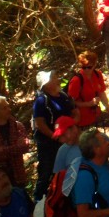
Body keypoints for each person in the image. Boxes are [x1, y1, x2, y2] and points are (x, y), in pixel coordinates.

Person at [31, 70, 77, 201]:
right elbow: (40, 123)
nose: (58, 79)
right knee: (47, 171)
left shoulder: (63, 96)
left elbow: (74, 111)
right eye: (54, 78)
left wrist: (73, 126)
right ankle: (38, 201)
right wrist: (55, 136)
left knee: (66, 168)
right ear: (46, 84)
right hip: (48, 143)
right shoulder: (41, 100)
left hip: (66, 140)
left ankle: (62, 197)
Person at [52, 116, 109, 196]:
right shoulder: (63, 151)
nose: (62, 140)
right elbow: (58, 180)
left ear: (74, 128)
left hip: (105, 191)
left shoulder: (99, 138)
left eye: (64, 135)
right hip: (81, 198)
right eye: (60, 137)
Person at [66, 51, 109, 128]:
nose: (86, 70)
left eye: (89, 67)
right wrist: (89, 103)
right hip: (82, 120)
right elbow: (71, 103)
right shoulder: (76, 80)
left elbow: (102, 94)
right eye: (83, 67)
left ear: (94, 65)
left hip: (96, 114)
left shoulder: (98, 75)